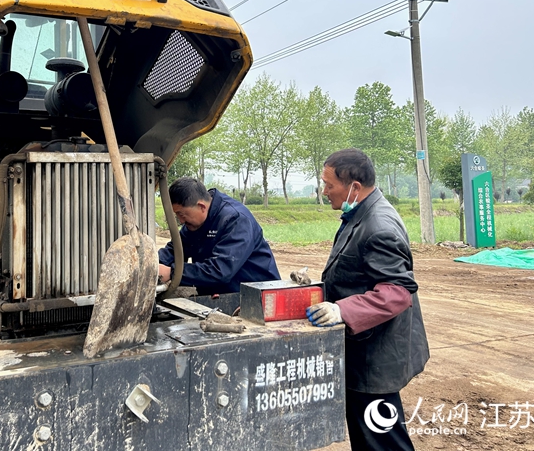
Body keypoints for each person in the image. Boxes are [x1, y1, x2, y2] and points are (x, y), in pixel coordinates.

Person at [305, 148, 429, 450]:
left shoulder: (379, 226)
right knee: (369, 439)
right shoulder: (358, 214)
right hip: (364, 349)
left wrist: (341, 311)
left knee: (382, 441)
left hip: (376, 358)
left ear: (354, 187)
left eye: (329, 185)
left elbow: (396, 293)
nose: (324, 192)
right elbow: (356, 276)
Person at [157, 178, 280, 295]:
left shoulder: (236, 220)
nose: (181, 221)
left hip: (257, 299)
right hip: (223, 295)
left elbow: (220, 270)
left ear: (202, 206)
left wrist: (172, 272)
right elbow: (175, 250)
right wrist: (151, 264)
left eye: (182, 214)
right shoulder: (194, 224)